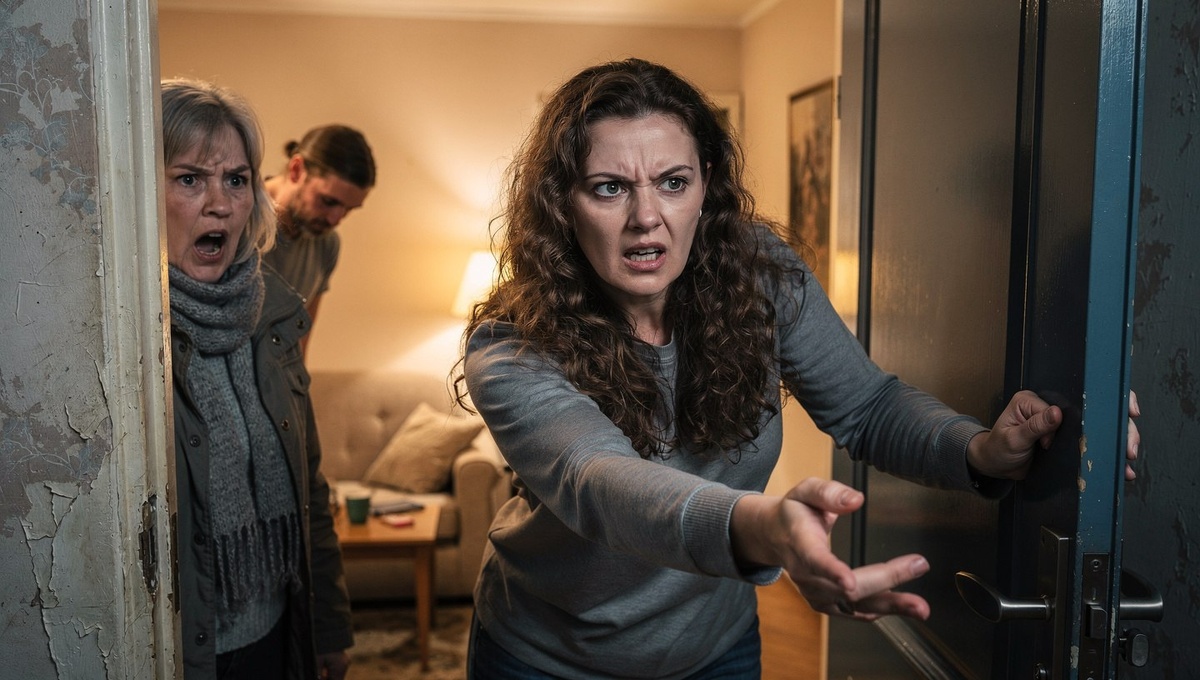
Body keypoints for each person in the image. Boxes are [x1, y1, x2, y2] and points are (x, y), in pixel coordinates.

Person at [453, 58, 1141, 679]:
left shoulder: (759, 276)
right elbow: (596, 481)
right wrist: (766, 528)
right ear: (562, 204)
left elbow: (867, 408)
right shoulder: (511, 344)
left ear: (706, 184)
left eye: (673, 182)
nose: (647, 217)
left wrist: (981, 449)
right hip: (546, 657)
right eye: (609, 188)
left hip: (715, 650)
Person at [161, 78, 353, 680]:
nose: (220, 203)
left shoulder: (274, 318)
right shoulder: (124, 346)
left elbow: (308, 483)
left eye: (236, 180)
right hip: (187, 652)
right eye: (190, 179)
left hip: (277, 632)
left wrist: (327, 626)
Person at [262, 124, 376, 354]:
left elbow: (298, 347)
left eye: (349, 209)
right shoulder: (234, 221)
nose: (336, 219)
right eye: (328, 201)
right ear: (296, 170)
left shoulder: (326, 244)